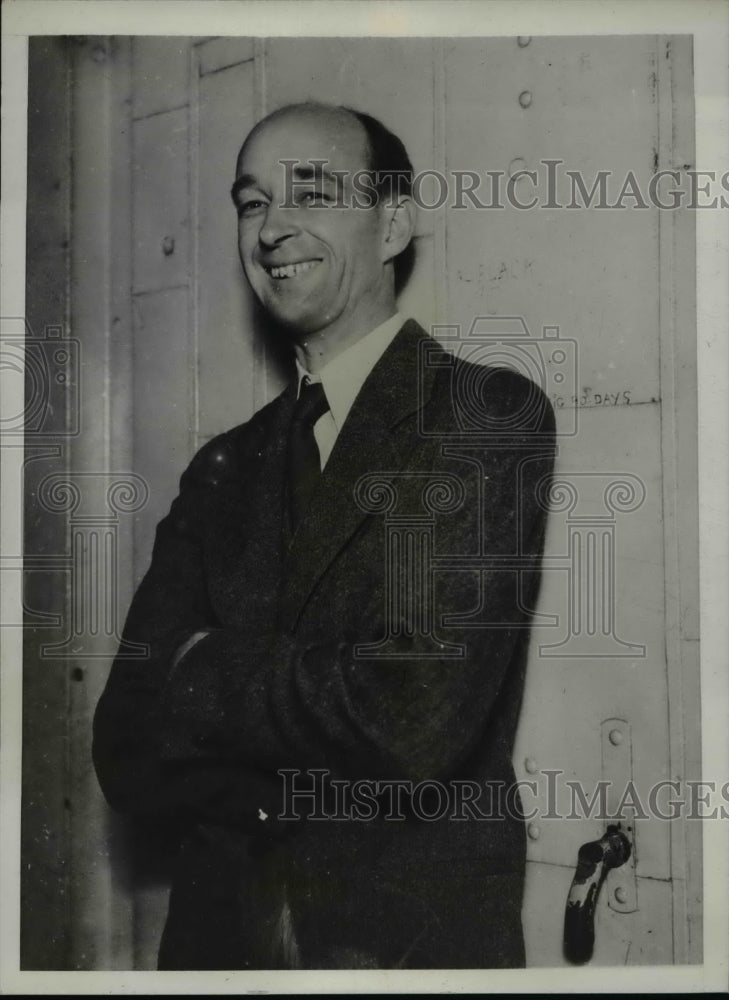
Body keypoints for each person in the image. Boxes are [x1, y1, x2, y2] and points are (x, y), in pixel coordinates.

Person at [93, 102, 555, 970]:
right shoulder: (223, 467)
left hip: (403, 948)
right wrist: (311, 753)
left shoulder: (482, 419)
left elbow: (414, 718)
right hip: (219, 948)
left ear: (393, 224)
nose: (272, 229)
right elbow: (124, 746)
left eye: (310, 192)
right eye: (250, 202)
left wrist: (197, 663)